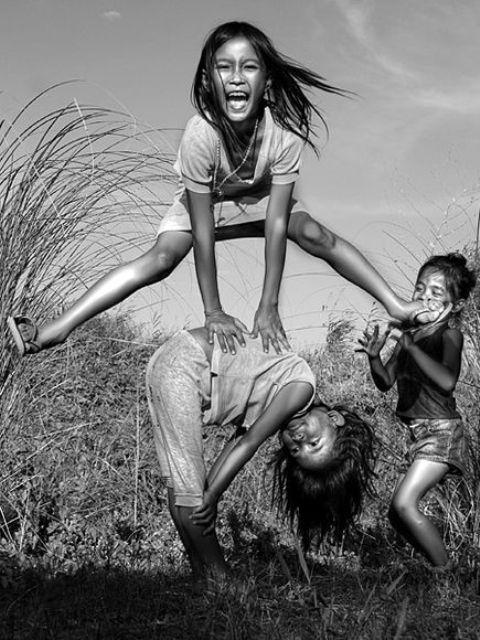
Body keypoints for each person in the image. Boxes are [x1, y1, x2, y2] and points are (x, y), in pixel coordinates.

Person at [8, 21, 434, 358]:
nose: (236, 77)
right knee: (161, 258)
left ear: (267, 81)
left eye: (249, 67)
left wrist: (268, 305)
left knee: (313, 233)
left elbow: (277, 223)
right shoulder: (201, 136)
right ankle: (54, 330)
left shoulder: (283, 136)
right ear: (208, 79)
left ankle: (395, 303)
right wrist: (213, 311)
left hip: (260, 201)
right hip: (206, 206)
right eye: (224, 67)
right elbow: (202, 232)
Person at [146, 326, 375, 584]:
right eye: (315, 442)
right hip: (187, 363)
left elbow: (239, 439)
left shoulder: (282, 400)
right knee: (194, 497)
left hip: (173, 362)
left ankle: (202, 576)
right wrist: (211, 495)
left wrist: (211, 489)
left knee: (181, 490)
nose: (300, 442)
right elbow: (250, 442)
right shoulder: (301, 389)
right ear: (334, 419)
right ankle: (223, 581)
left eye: (296, 451)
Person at [357, 253, 476, 567]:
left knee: (404, 504)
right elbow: (385, 382)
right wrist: (374, 357)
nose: (424, 298)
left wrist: (411, 348)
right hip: (417, 434)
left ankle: (446, 572)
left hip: (442, 433)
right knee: (396, 515)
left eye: (436, 293)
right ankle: (435, 562)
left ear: (456, 305)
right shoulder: (408, 338)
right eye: (419, 289)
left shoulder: (449, 335)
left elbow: (447, 380)